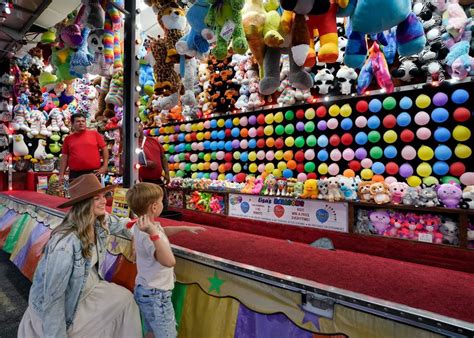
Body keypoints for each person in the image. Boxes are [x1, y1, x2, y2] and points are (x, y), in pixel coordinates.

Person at [18, 174, 142, 337]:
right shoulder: (65, 244)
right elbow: (54, 297)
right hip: (68, 301)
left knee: (126, 299)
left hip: (87, 285)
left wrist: (137, 233)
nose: (104, 201)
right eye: (97, 198)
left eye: (104, 196)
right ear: (84, 203)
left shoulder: (99, 221)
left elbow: (122, 224)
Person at [126, 182, 205, 338]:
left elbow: (162, 232)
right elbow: (169, 261)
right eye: (162, 201)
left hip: (146, 289)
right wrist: (153, 234)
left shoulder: (143, 225)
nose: (163, 204)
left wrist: (183, 228)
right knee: (166, 334)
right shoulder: (149, 233)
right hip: (156, 295)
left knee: (151, 331)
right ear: (154, 207)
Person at [59, 113, 109, 184]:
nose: (81, 123)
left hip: (93, 172)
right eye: (78, 121)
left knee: (94, 194)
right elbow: (64, 157)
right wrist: (61, 175)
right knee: (77, 195)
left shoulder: (95, 134)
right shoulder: (68, 139)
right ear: (72, 124)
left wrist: (105, 166)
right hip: (75, 174)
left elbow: (104, 149)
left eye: (83, 121)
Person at [137, 124, 170, 209]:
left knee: (163, 205)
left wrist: (167, 173)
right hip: (143, 182)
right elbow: (126, 160)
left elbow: (163, 157)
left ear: (142, 127)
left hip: (158, 181)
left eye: (138, 125)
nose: (137, 128)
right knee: (148, 207)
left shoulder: (153, 141)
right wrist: (144, 163)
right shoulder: (132, 143)